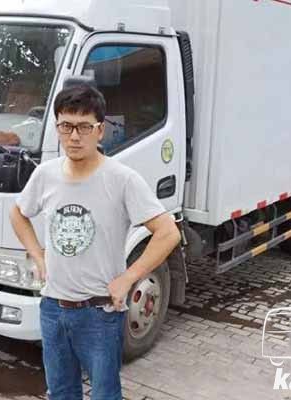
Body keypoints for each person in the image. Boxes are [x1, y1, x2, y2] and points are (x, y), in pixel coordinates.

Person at [9, 84, 181, 400]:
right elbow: (18, 214)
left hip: (100, 313)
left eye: (84, 127)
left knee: (104, 394)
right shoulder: (45, 175)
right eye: (66, 126)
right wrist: (38, 256)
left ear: (100, 130)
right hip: (53, 308)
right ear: (57, 128)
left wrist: (128, 278)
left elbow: (168, 232)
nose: (74, 136)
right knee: (61, 392)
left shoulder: (122, 179)